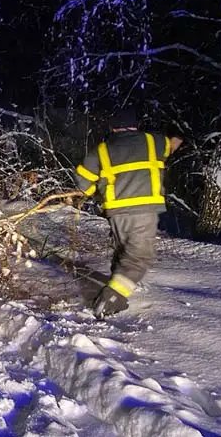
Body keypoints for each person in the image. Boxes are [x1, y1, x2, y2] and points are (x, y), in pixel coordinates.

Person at [74, 110, 182, 318]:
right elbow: (173, 144)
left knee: (124, 251)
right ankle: (111, 298)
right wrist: (181, 136)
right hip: (144, 210)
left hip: (116, 213)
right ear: (135, 125)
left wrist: (92, 193)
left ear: (112, 128)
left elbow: (82, 180)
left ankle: (117, 281)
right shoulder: (153, 142)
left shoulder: (102, 150)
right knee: (139, 257)